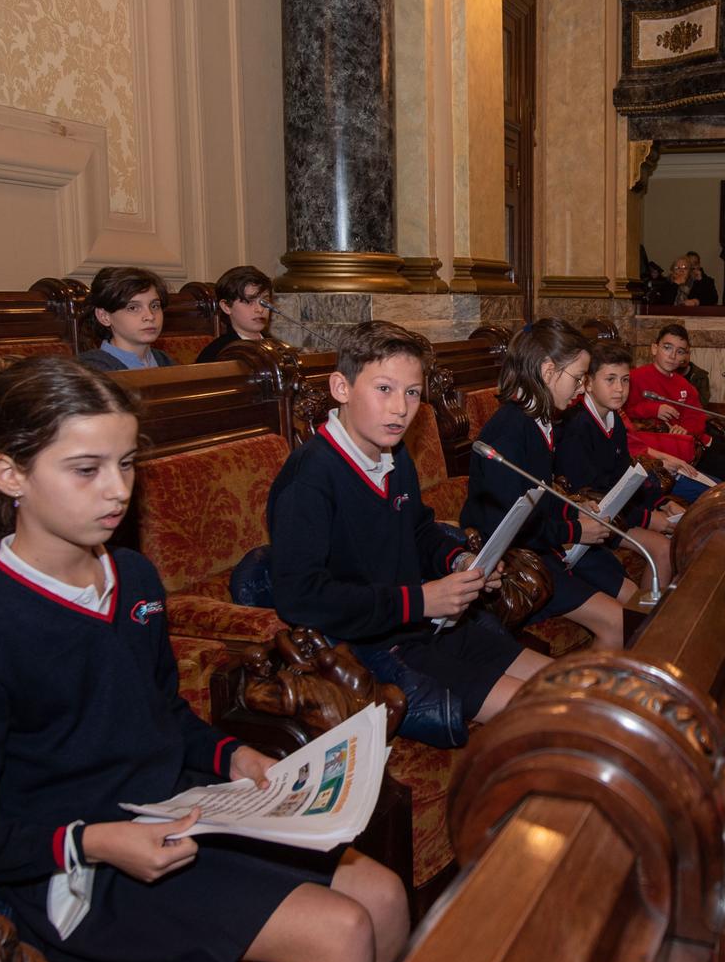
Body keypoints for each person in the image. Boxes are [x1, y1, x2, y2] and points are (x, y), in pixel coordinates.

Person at [0, 356, 409, 962]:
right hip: (78, 868)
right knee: (341, 930)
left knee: (388, 894)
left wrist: (231, 752)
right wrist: (92, 840)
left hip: (175, 809)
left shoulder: (131, 579)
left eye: (127, 464)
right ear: (9, 475)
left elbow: (159, 712)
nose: (117, 490)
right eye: (86, 469)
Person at [267, 321, 545, 747]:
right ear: (341, 387)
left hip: (425, 628)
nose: (401, 408)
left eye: (412, 393)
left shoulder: (395, 458)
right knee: (547, 715)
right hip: (373, 652)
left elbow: (417, 531)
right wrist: (421, 598)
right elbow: (301, 595)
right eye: (384, 389)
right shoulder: (311, 476)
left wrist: (458, 561)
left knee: (566, 684)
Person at [463, 319, 634, 649]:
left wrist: (573, 510)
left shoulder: (541, 419)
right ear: (548, 371)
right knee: (616, 622)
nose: (582, 388)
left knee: (631, 598)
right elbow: (508, 522)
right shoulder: (510, 430)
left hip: (545, 544)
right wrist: (574, 531)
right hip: (515, 560)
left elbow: (538, 496)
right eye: (578, 377)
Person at [553, 338, 679, 591]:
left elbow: (625, 477)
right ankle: (644, 624)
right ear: (587, 383)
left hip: (617, 511)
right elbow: (590, 495)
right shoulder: (579, 427)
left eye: (625, 379)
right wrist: (645, 518)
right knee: (663, 549)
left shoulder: (613, 419)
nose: (620, 389)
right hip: (593, 516)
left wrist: (660, 503)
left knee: (677, 537)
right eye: (610, 379)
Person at [626, 322, 725, 481]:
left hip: (697, 440)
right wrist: (653, 409)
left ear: (684, 357)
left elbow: (697, 418)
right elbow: (623, 414)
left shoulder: (684, 385)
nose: (672, 356)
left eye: (679, 351)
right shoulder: (634, 378)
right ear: (654, 348)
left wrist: (685, 429)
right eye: (667, 348)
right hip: (675, 450)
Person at [77, 267, 175, 372]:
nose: (150, 316)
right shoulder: (91, 370)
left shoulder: (165, 361)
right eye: (133, 308)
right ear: (104, 316)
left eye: (155, 306)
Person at [196, 264, 274, 363]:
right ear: (226, 307)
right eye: (248, 301)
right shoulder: (219, 353)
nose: (260, 309)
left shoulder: (277, 347)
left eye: (264, 301)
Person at [648, 256, 716, 308]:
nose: (681, 270)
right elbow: (664, 303)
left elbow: (711, 299)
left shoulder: (695, 283)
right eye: (677, 268)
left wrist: (696, 302)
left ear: (689, 271)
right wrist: (675, 284)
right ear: (672, 271)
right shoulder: (666, 284)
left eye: (684, 268)